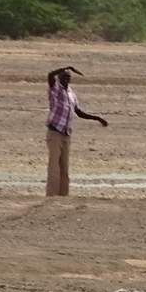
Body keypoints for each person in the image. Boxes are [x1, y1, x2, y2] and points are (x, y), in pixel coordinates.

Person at [45, 65, 108, 197]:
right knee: (54, 167)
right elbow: (50, 75)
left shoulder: (71, 94)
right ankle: (51, 195)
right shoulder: (55, 89)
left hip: (66, 134)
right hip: (55, 132)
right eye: (64, 76)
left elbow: (78, 112)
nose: (67, 79)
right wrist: (66, 67)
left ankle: (63, 195)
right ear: (60, 78)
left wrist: (97, 118)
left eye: (69, 77)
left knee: (64, 167)